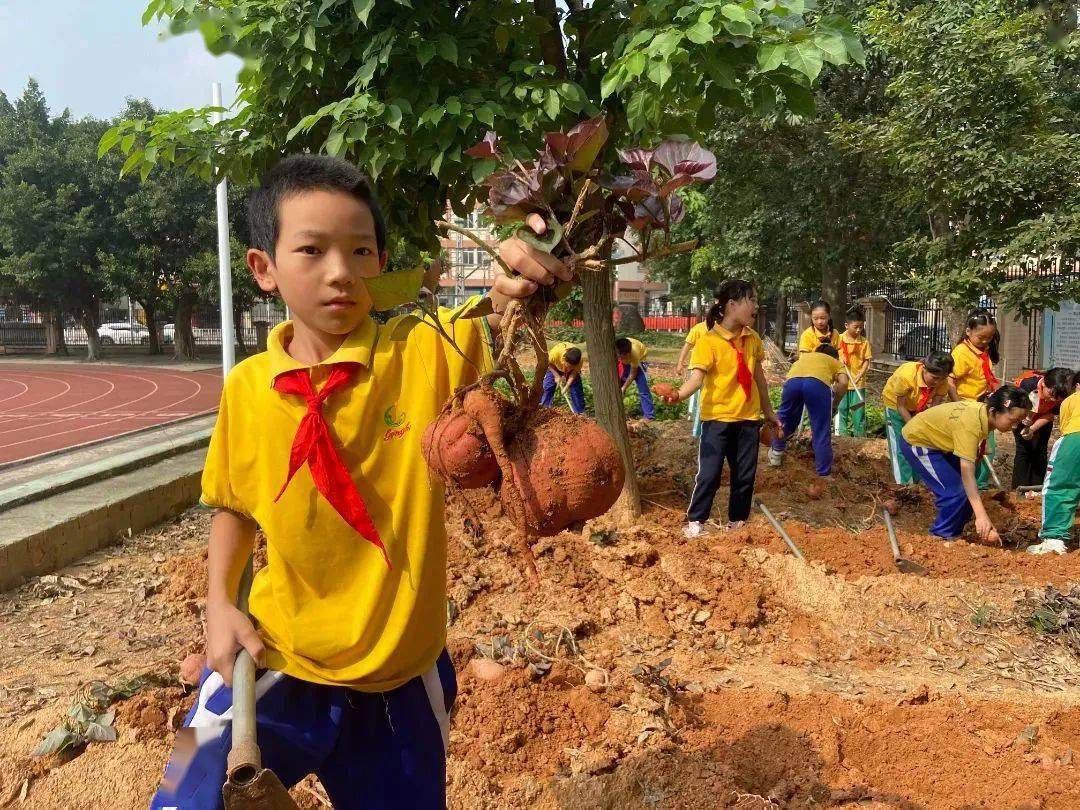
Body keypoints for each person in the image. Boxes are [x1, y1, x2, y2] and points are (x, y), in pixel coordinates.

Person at [149, 155, 570, 810]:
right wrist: (219, 605)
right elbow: (233, 502)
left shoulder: (424, 352)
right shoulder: (246, 390)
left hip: (401, 683)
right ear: (264, 269)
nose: (340, 272)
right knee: (179, 797)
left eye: (360, 249)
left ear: (379, 261)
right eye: (312, 250)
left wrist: (529, 265)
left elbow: (496, 310)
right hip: (275, 663)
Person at [657, 280, 781, 538]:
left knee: (745, 476)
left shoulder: (753, 339)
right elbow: (696, 379)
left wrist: (769, 413)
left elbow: (759, 379)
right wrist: (678, 395)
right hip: (717, 419)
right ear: (732, 305)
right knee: (709, 474)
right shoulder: (708, 342)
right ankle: (696, 522)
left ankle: (737, 522)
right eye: (752, 300)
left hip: (748, 419)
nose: (756, 306)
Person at [898, 385, 1029, 542]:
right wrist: (982, 516)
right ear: (994, 411)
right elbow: (968, 475)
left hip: (941, 444)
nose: (1014, 426)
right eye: (1012, 421)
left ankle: (955, 534)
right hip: (918, 442)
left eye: (1019, 422)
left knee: (966, 493)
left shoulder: (984, 411)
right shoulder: (970, 424)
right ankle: (940, 538)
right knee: (954, 494)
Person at [768, 345, 849, 494]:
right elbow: (843, 383)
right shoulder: (835, 362)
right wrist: (834, 404)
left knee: (785, 419)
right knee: (820, 429)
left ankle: (776, 454)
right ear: (834, 357)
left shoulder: (804, 357)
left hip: (792, 383)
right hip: (817, 386)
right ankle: (823, 473)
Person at [882, 351, 955, 484]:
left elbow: (933, 410)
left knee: (918, 445)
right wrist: (914, 426)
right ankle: (903, 485)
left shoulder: (943, 383)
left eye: (941, 379)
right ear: (924, 368)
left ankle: (916, 482)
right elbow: (901, 406)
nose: (937, 382)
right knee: (900, 446)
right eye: (934, 377)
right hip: (895, 407)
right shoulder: (906, 376)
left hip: (918, 407)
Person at [1029, 373, 1080, 555]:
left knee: (1060, 487)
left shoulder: (1072, 400)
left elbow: (1068, 429)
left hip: (1075, 438)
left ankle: (1053, 539)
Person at [951, 308, 1001, 489]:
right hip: (968, 407)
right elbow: (950, 381)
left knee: (988, 449)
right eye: (981, 337)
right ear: (968, 331)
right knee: (970, 450)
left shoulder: (983, 350)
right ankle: (966, 485)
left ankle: (981, 486)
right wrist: (959, 405)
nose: (986, 341)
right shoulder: (962, 353)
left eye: (989, 337)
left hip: (983, 406)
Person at [1010, 367, 1074, 490]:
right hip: (1021, 416)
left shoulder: (1061, 393)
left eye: (1057, 398)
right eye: (1051, 395)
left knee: (1040, 451)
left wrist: (1033, 429)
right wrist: (1025, 426)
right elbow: (1016, 410)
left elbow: (1050, 414)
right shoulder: (1026, 385)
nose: (1053, 400)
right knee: (1023, 451)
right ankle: (1018, 489)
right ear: (1043, 383)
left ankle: (1036, 490)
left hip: (1043, 419)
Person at [836, 305, 872, 437]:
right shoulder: (839, 339)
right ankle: (842, 438)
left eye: (861, 327)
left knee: (858, 412)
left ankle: (859, 438)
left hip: (858, 383)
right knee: (841, 410)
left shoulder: (864, 342)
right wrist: (839, 358)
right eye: (855, 327)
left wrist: (859, 376)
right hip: (842, 383)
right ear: (846, 325)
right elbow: (832, 356)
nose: (858, 330)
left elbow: (866, 361)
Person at [675, 319, 711, 438]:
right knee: (697, 398)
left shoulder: (722, 330)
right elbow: (687, 346)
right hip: (697, 369)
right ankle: (697, 429)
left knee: (705, 397)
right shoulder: (698, 328)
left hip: (712, 371)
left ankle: (702, 425)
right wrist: (680, 363)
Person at [616, 336, 655, 421]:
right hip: (626, 351)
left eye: (626, 358)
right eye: (622, 358)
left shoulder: (635, 355)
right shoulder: (615, 351)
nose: (625, 360)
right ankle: (617, 411)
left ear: (629, 354)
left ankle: (649, 416)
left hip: (641, 358)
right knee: (620, 380)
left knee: (643, 387)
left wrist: (624, 388)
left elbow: (633, 374)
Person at [541, 342, 585, 414]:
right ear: (564, 359)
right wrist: (556, 375)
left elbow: (573, 374)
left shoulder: (579, 361)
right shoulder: (555, 354)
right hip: (553, 366)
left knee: (576, 391)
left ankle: (579, 414)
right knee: (547, 387)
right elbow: (547, 364)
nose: (568, 369)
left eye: (571, 367)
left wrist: (566, 386)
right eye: (567, 366)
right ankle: (544, 410)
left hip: (570, 371)